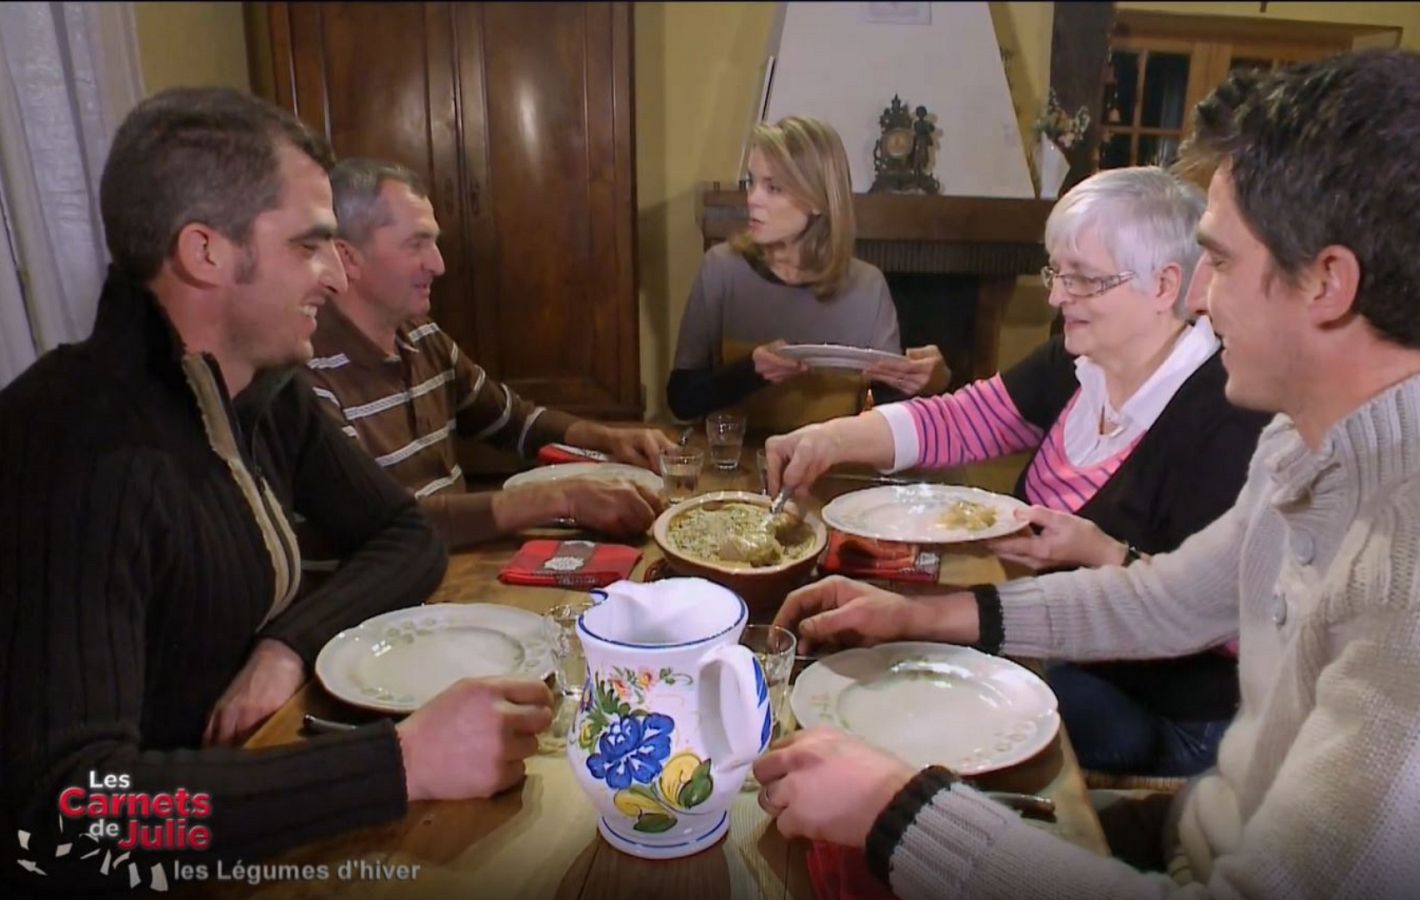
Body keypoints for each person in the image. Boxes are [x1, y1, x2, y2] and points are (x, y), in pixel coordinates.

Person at [755, 50, 1420, 898]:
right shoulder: (1317, 438)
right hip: (1194, 836)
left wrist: (901, 812)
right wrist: (922, 615)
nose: (1196, 299)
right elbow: (1161, 601)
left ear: (1328, 285)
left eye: (1221, 261)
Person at [0, 88, 552, 892]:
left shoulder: (264, 390)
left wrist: (286, 645)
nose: (334, 276)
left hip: (263, 802)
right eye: (309, 247)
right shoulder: (72, 445)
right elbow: (75, 809)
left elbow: (408, 534)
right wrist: (393, 763)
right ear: (206, 253)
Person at [765, 166, 1272, 776]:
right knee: (893, 662)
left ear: (1164, 286)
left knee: (920, 710)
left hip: (1159, 706)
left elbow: (1235, 625)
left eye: (1083, 279)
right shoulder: (1080, 360)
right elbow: (961, 420)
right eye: (1057, 273)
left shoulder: (1226, 412)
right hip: (1047, 639)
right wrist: (829, 438)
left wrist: (1105, 552)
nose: (1057, 298)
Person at [303, 158, 671, 551]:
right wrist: (562, 498)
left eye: (434, 242)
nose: (438, 265)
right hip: (391, 602)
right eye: (416, 244)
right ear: (348, 258)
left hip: (453, 569)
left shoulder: (423, 337)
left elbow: (512, 419)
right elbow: (385, 524)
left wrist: (609, 440)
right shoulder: (309, 377)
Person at [667, 115, 949, 433]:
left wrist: (931, 381)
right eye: (752, 182)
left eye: (773, 188)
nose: (752, 198)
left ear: (817, 200)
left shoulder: (867, 286)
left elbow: (889, 413)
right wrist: (749, 371)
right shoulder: (721, 268)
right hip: (737, 467)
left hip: (830, 466)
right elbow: (681, 400)